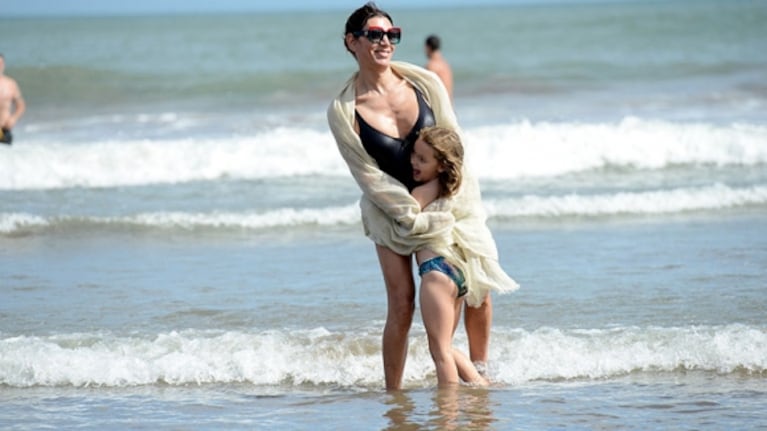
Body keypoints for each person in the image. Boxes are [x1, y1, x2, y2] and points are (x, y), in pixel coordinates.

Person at [327, 2, 518, 390]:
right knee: (401, 305)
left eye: (392, 35)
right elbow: (369, 178)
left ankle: (481, 374)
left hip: (451, 198)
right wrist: (412, 211)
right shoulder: (343, 111)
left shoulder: (424, 84)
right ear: (352, 42)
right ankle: (393, 395)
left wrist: (437, 194)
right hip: (390, 212)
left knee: (476, 287)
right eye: (375, 35)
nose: (385, 42)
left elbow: (454, 147)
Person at [410, 126, 488, 387]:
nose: (413, 162)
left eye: (422, 159)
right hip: (458, 275)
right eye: (413, 154)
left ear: (442, 165)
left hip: (436, 272)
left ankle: (447, 413)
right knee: (445, 345)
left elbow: (404, 220)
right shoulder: (455, 190)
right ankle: (480, 385)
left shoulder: (423, 192)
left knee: (440, 353)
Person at [0, 54, 26, 145]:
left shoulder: (10, 84)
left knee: (7, 157)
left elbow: (21, 105)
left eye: (1, 63)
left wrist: (13, 119)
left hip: (4, 130)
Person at [424, 35, 453, 101]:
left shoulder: (431, 66)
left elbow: (427, 90)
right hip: (449, 105)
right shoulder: (445, 64)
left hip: (439, 106)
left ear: (428, 47)